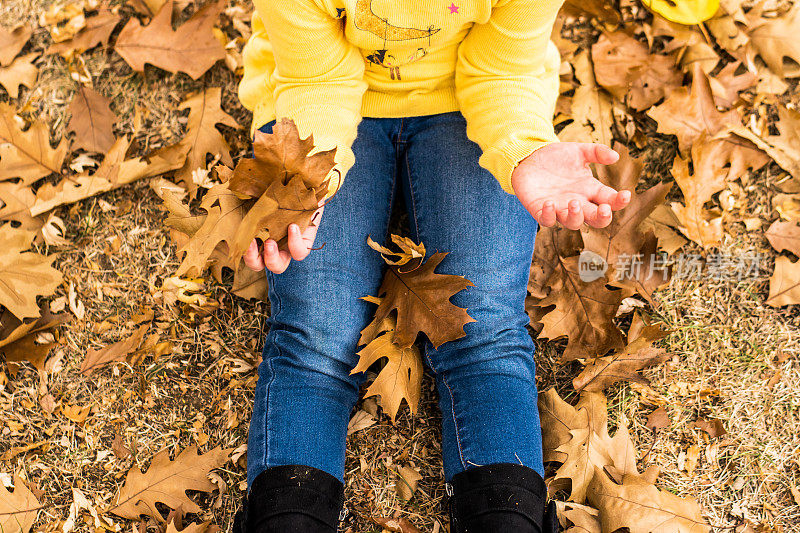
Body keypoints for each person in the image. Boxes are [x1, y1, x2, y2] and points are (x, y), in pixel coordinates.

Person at [232, 0, 631, 531]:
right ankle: (287, 515)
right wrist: (310, 182)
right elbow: (317, 79)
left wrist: (521, 149)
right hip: (319, 105)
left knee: (484, 327)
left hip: (475, 102)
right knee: (315, 334)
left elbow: (503, 68)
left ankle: (508, 517)